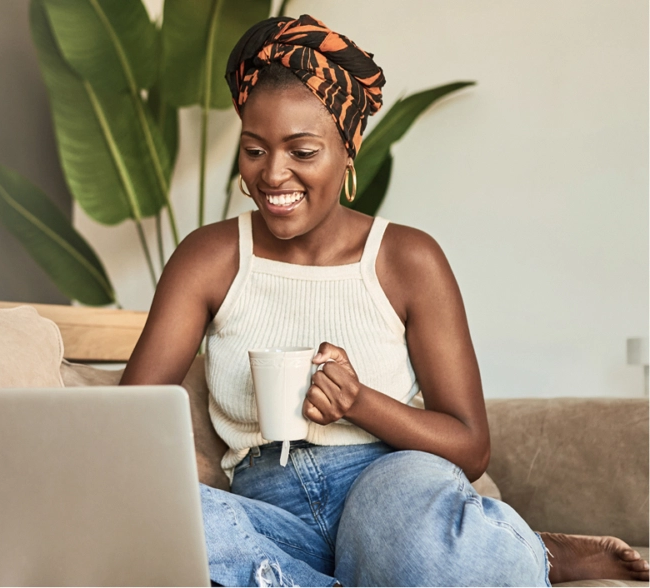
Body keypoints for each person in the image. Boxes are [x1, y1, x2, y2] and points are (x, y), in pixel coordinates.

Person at [117, 14, 649, 587]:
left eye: (302, 150)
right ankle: (440, 564)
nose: (273, 174)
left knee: (407, 542)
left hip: (392, 489)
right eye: (254, 149)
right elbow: (125, 424)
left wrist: (358, 402)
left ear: (349, 147)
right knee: (162, 523)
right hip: (270, 512)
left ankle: (513, 553)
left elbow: (471, 447)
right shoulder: (209, 257)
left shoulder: (408, 259)